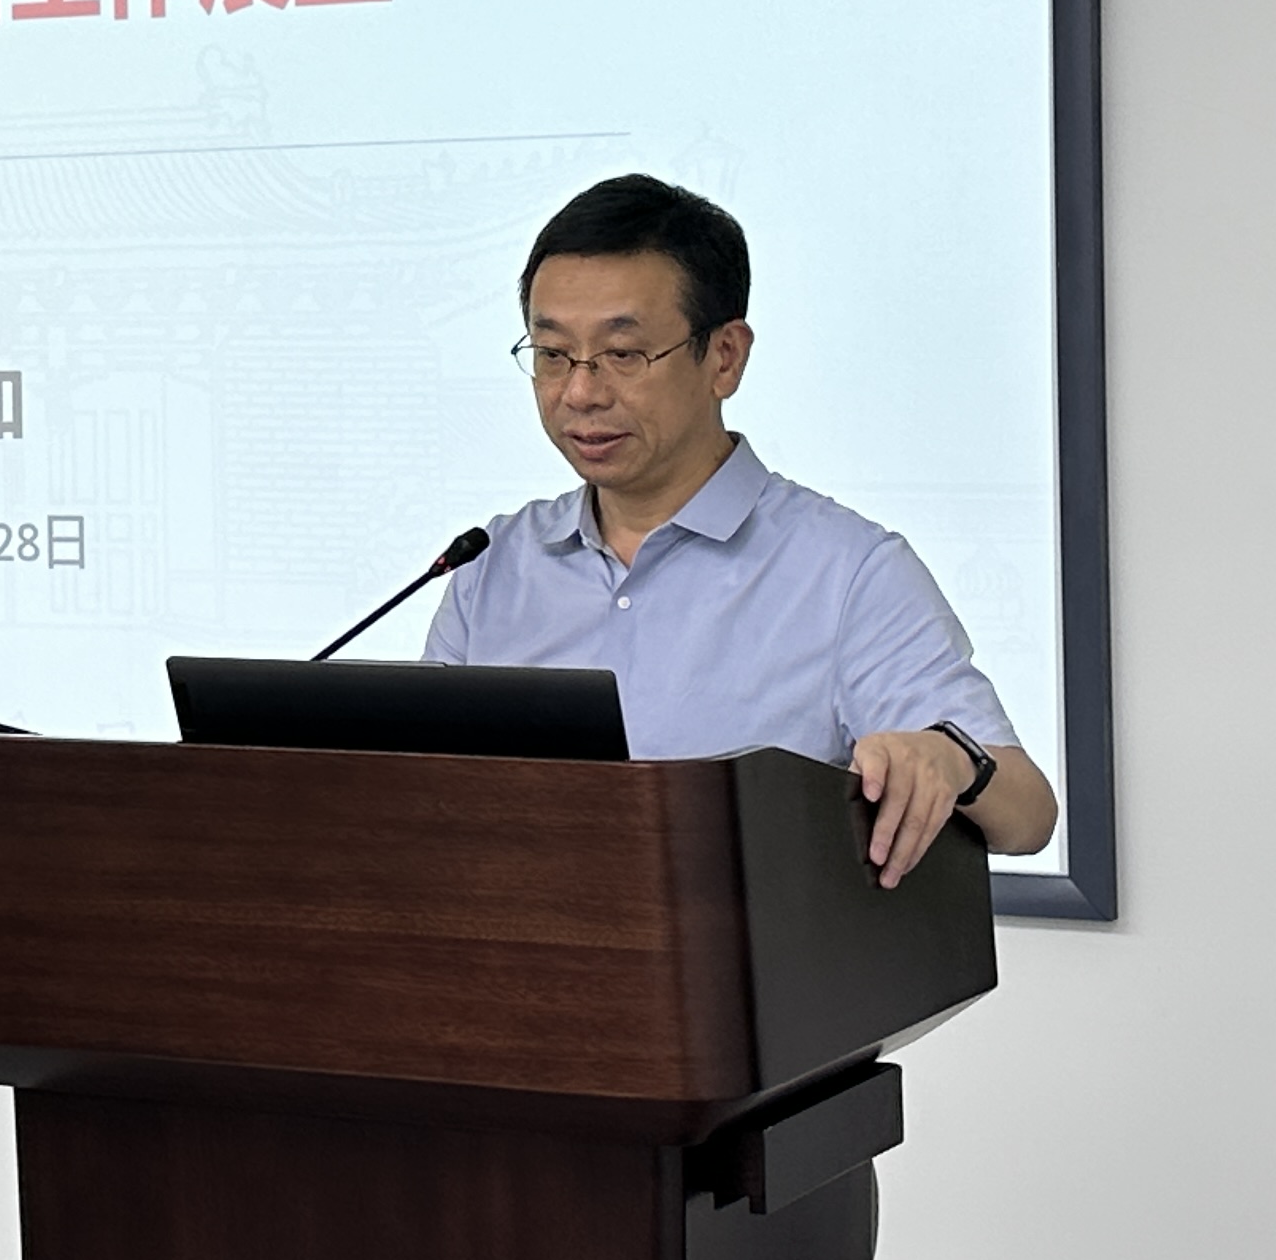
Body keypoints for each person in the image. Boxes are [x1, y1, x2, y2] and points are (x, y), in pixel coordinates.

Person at [423, 174, 1059, 887]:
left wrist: (951, 759)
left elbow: (1028, 814)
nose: (581, 391)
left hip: (746, 952)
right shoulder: (488, 568)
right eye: (552, 355)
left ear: (725, 357)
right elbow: (416, 801)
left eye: (623, 355)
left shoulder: (845, 571)